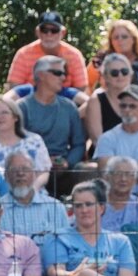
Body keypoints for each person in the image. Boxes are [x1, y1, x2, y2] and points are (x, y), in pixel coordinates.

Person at [18, 56, 86, 194]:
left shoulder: (69, 107)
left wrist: (68, 162)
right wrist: (42, 161)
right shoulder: (22, 107)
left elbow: (79, 144)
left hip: (63, 168)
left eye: (64, 74)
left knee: (89, 170)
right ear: (41, 75)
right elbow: (15, 144)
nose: (63, 78)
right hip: (31, 168)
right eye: (58, 73)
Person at [94, 87, 138, 196]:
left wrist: (120, 171)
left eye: (132, 106)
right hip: (115, 198)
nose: (127, 110)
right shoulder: (106, 138)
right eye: (123, 106)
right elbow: (105, 177)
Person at [5, 11, 87, 101]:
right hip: (30, 103)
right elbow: (14, 88)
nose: (49, 34)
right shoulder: (23, 54)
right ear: (38, 32)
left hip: (64, 103)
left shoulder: (74, 55)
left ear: (62, 33)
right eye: (44, 30)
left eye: (54, 30)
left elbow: (81, 89)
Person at [83, 53, 138, 147]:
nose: (120, 76)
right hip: (107, 155)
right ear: (105, 76)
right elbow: (97, 140)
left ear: (131, 74)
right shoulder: (97, 100)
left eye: (124, 71)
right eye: (114, 73)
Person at [0, 153, 68, 247]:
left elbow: (66, 245)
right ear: (6, 176)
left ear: (35, 174)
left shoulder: (56, 207)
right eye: (14, 170)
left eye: (26, 169)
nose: (20, 174)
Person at [0, 98, 52, 190]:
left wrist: (32, 190)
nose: (0, 117)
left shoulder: (34, 141)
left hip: (32, 195)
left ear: (15, 117)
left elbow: (44, 172)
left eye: (5, 112)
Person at [85, 19, 138, 93]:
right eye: (116, 37)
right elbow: (86, 82)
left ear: (133, 39)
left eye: (124, 37)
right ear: (111, 41)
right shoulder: (102, 58)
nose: (120, 40)